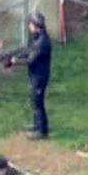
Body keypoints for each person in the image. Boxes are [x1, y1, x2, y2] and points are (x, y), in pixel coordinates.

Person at [20, 10, 53, 138]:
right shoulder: (38, 38)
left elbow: (30, 59)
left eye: (31, 24)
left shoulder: (42, 42)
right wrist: (16, 57)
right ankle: (36, 123)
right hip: (36, 76)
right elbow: (29, 51)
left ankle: (42, 130)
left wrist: (14, 61)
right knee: (34, 100)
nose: (29, 26)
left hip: (40, 77)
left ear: (36, 26)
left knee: (37, 102)